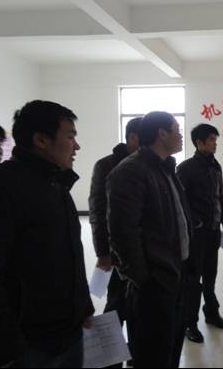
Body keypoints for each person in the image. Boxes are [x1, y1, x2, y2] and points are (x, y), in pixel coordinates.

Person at [0, 100, 94, 368]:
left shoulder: (57, 184)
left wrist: (83, 307)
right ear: (41, 140)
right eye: (70, 136)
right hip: (27, 344)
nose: (76, 146)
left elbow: (70, 256)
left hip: (68, 332)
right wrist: (5, 347)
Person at [107, 111, 191, 368]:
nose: (181, 136)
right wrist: (143, 279)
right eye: (177, 130)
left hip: (176, 273)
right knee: (152, 352)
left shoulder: (166, 168)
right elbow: (123, 233)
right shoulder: (131, 171)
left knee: (171, 344)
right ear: (161, 134)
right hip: (155, 281)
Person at [88, 117, 142, 368]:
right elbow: (97, 211)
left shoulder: (149, 164)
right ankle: (110, 358)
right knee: (116, 304)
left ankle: (136, 353)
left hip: (142, 248)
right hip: (117, 250)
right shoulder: (106, 165)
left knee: (139, 304)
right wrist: (103, 252)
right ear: (132, 137)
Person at [177, 124, 223, 344]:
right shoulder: (186, 168)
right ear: (199, 143)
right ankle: (189, 323)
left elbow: (219, 196)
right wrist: (195, 222)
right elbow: (180, 201)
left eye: (215, 139)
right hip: (196, 234)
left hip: (213, 230)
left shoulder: (215, 166)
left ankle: (211, 313)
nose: (215, 143)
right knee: (193, 279)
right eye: (211, 140)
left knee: (210, 275)